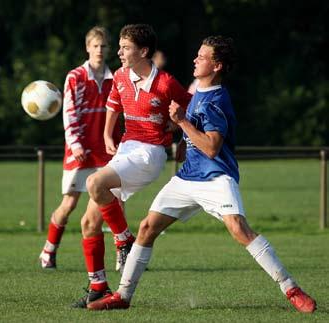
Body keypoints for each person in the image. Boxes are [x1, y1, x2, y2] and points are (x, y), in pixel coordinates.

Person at [86, 35, 317, 314]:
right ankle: (122, 295)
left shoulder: (216, 100)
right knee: (147, 228)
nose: (195, 60)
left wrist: (182, 121)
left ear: (217, 66)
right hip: (187, 178)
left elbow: (211, 147)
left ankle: (291, 288)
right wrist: (183, 136)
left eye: (202, 57)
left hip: (216, 176)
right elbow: (193, 132)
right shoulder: (199, 93)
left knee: (239, 229)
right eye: (196, 55)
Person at [73, 23, 191, 308]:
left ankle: (124, 239)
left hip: (150, 154)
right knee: (88, 222)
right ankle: (98, 286)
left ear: (144, 51)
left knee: (94, 183)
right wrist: (105, 133)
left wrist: (187, 139)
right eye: (121, 47)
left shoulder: (165, 82)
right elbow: (113, 104)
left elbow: (192, 108)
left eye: (126, 48)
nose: (119, 52)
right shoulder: (121, 76)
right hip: (126, 151)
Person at [39, 26, 122, 271]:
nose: (99, 50)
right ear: (87, 48)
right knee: (69, 204)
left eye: (103, 46)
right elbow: (69, 112)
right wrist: (75, 144)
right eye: (95, 45)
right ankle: (49, 250)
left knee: (116, 200)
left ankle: (122, 255)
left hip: (108, 150)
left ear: (108, 49)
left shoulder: (115, 77)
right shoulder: (75, 76)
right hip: (81, 151)